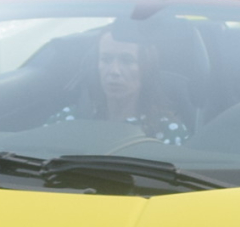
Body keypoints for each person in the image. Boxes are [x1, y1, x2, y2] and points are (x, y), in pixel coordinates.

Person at [47, 25, 190, 145]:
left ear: (146, 68)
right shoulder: (71, 118)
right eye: (106, 59)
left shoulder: (167, 131)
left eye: (127, 60)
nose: (114, 71)